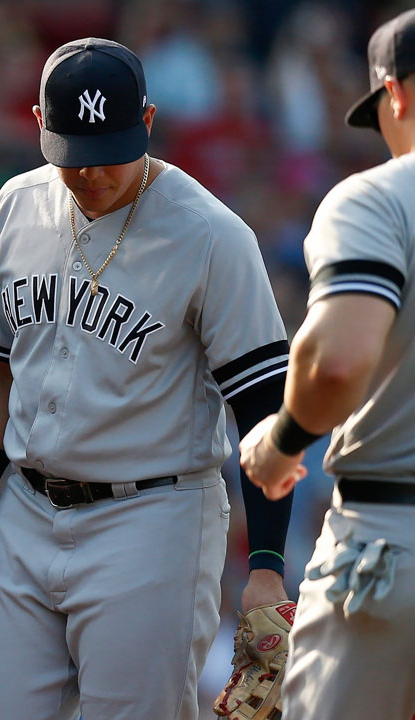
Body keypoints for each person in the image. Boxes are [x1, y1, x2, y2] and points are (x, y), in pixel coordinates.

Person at [0, 38, 295, 719]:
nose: (93, 172)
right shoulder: (17, 205)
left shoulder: (211, 235)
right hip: (24, 510)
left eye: (112, 151)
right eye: (75, 154)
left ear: (150, 122)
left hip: (151, 516)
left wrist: (268, 566)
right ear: (39, 122)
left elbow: (263, 411)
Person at [240, 9, 415, 717]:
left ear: (397, 93)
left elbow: (338, 360)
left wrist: (280, 445)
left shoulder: (379, 197)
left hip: (391, 542)